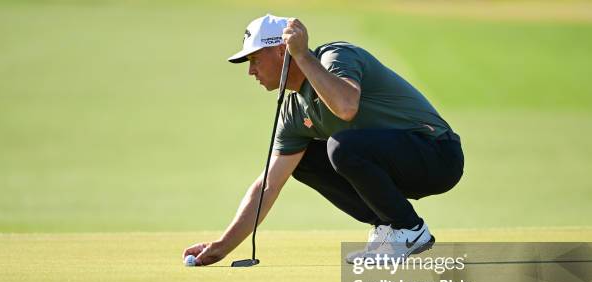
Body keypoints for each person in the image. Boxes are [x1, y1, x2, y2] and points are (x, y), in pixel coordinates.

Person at [183, 14, 464, 266]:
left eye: (255, 59)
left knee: (342, 146)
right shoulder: (292, 112)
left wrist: (303, 55)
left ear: (282, 51)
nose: (250, 70)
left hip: (438, 155)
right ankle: (389, 227)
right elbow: (268, 185)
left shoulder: (336, 57)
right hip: (398, 164)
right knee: (303, 159)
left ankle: (409, 230)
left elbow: (345, 106)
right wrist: (222, 247)